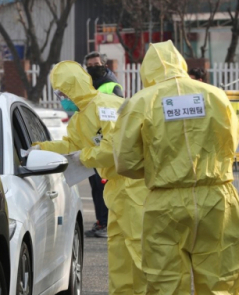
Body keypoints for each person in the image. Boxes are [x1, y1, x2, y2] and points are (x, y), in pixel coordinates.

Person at [114, 40, 239, 295]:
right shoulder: (215, 95)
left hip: (165, 203)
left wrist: (160, 169)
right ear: (181, 63)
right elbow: (232, 140)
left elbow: (126, 162)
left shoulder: (140, 102)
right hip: (217, 198)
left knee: (165, 281)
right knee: (223, 278)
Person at [30, 60, 149, 295]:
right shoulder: (80, 118)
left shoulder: (107, 106)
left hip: (135, 187)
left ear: (75, 87)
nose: (62, 98)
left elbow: (115, 147)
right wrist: (42, 148)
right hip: (117, 190)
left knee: (140, 251)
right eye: (58, 93)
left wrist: (83, 157)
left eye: (63, 92)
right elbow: (71, 145)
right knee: (119, 254)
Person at [83, 51, 125, 238]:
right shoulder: (88, 86)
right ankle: (101, 222)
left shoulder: (111, 86)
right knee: (95, 186)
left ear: (105, 65)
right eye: (90, 65)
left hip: (105, 145)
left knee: (103, 186)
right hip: (92, 143)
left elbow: (119, 115)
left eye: (96, 64)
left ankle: (107, 223)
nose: (93, 68)